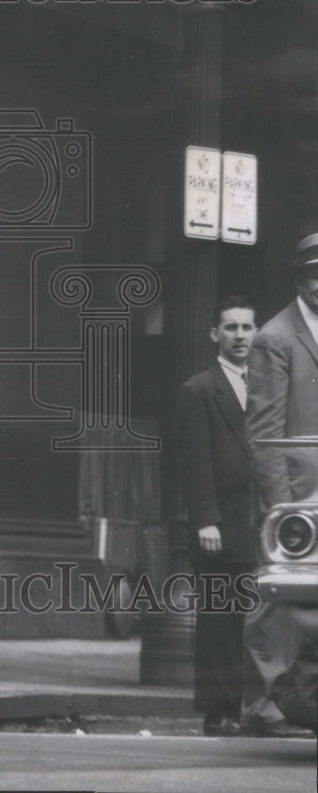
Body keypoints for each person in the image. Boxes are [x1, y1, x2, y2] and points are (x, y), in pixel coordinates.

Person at [243, 232, 318, 737]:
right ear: (299, 279)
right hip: (296, 498)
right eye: (316, 275)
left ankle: (304, 700)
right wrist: (282, 512)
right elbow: (264, 435)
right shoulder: (275, 336)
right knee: (277, 599)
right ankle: (262, 706)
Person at [176, 296, 258, 736]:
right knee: (219, 620)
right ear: (215, 334)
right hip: (220, 525)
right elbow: (194, 461)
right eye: (231, 328)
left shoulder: (264, 386)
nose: (241, 335)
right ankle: (218, 711)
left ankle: (252, 707)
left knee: (254, 619)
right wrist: (206, 519)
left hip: (259, 523)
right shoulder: (199, 389)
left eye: (247, 327)